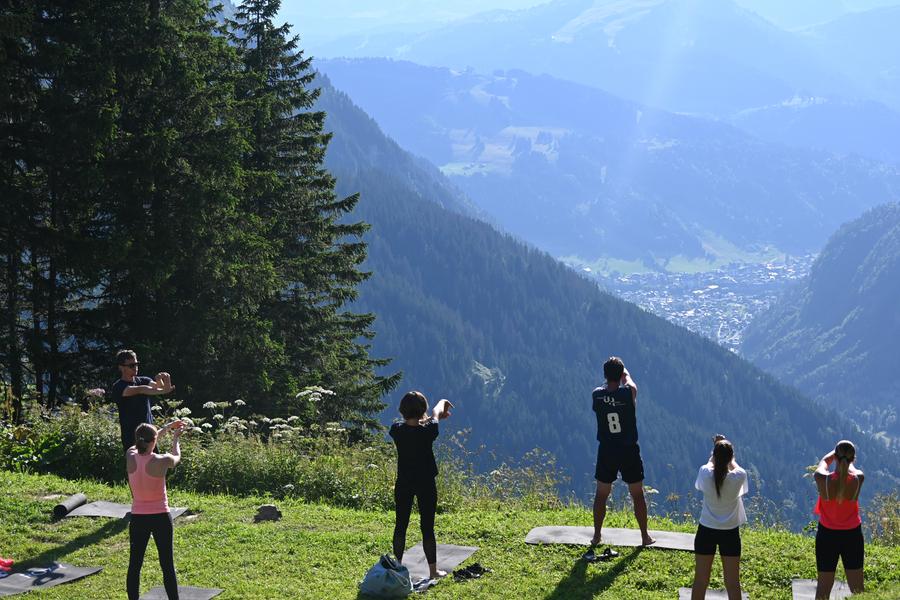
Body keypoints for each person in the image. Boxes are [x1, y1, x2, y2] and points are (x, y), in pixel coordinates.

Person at [389, 391, 453, 580]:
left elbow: (416, 423)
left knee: (400, 525)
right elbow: (435, 414)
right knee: (427, 527)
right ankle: (433, 572)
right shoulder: (429, 431)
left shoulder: (396, 430)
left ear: (402, 410)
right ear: (422, 410)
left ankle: (397, 567)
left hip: (404, 483)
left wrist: (427, 418)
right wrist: (443, 402)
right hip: (426, 483)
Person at [591, 356, 655, 547]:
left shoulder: (597, 395)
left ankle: (596, 536)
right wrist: (624, 372)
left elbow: (606, 395)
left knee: (601, 494)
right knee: (637, 494)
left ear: (605, 375)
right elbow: (631, 384)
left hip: (607, 450)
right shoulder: (628, 394)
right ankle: (645, 536)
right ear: (620, 375)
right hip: (628, 450)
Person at [126, 420, 186, 600]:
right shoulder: (162, 460)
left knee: (135, 565)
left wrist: (166, 428)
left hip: (138, 518)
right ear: (154, 441)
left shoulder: (130, 455)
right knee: (167, 564)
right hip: (160, 517)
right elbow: (177, 457)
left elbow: (147, 440)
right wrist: (175, 438)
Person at [691, 435, 748, 600]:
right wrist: (729, 455)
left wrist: (716, 447)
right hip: (730, 533)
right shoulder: (739, 476)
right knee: (732, 583)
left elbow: (710, 464)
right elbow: (734, 466)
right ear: (731, 457)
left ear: (714, 456)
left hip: (706, 530)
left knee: (700, 580)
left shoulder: (705, 473)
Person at [813, 440, 865, 599]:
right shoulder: (858, 479)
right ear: (852, 459)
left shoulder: (822, 479)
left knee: (823, 588)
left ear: (835, 457)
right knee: (857, 589)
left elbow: (823, 463)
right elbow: (852, 469)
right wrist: (845, 458)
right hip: (852, 535)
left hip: (827, 536)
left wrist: (833, 455)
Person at [111, 349, 174, 450]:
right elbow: (142, 390)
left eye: (136, 364)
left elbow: (158, 387)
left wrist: (162, 379)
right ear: (121, 367)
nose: (135, 367)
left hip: (150, 435)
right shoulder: (118, 387)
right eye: (131, 365)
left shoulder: (144, 380)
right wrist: (165, 389)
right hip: (132, 438)